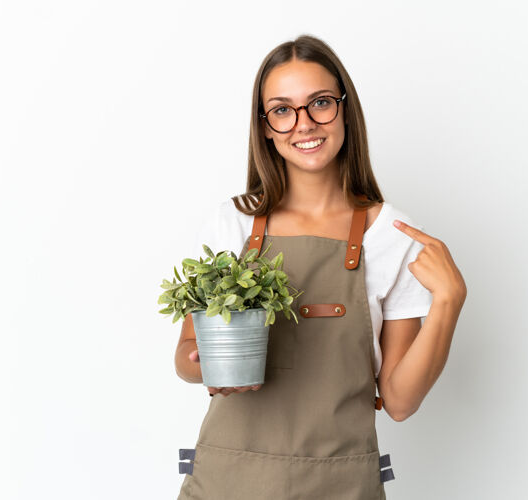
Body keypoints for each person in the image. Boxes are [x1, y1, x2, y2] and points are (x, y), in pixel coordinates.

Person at [174, 34, 467, 499]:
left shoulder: (392, 234)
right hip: (228, 482)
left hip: (341, 485)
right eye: (283, 110)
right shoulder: (233, 222)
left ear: (345, 110)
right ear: (266, 126)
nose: (304, 124)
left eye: (320, 104)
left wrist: (449, 301)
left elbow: (399, 401)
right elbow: (185, 354)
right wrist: (207, 365)